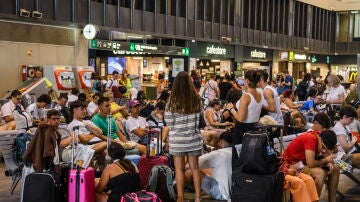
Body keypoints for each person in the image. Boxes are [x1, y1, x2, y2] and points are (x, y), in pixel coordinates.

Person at [164, 71, 203, 202]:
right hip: (193, 139)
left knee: (179, 170)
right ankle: (198, 197)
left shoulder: (171, 101)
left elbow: (169, 123)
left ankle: (180, 197)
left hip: (178, 140)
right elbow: (200, 119)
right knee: (195, 169)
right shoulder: (197, 98)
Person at [283, 112, 340, 202]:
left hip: (302, 163)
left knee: (335, 169)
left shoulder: (320, 136)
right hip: (292, 165)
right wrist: (326, 160)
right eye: (324, 148)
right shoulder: (310, 138)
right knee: (319, 173)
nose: (323, 150)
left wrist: (328, 161)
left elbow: (327, 154)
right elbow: (311, 163)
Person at [184, 132, 233, 200]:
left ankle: (189, 190)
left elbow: (189, 165)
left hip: (222, 194)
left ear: (222, 141)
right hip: (237, 192)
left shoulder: (218, 153)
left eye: (219, 142)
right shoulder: (240, 152)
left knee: (189, 172)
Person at [226, 70, 263, 144]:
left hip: (243, 130)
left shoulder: (246, 97)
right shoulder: (259, 94)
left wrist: (231, 109)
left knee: (240, 153)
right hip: (255, 128)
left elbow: (241, 118)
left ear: (247, 80)